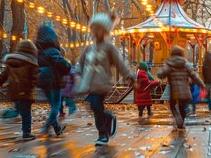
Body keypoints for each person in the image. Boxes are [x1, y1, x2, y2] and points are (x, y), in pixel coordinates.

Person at [76, 12, 136, 146]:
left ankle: (102, 134)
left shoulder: (109, 47)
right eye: (94, 29)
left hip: (102, 84)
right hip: (89, 84)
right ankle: (108, 117)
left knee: (96, 107)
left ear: (104, 31)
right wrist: (77, 75)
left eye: (99, 29)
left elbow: (120, 64)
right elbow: (80, 63)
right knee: (95, 108)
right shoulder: (89, 48)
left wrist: (129, 77)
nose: (96, 32)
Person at [0, 40, 39, 141]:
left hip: (14, 90)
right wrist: (31, 86)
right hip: (26, 91)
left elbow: (4, 74)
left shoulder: (10, 62)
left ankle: (7, 114)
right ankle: (26, 132)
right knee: (26, 113)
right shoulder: (32, 63)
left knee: (20, 109)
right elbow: (34, 78)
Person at [158, 46, 206, 130]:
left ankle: (178, 119)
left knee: (172, 106)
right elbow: (194, 75)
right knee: (182, 107)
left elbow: (162, 74)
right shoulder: (186, 64)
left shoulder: (169, 64)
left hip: (174, 90)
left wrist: (159, 72)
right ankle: (181, 122)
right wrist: (202, 85)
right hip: (185, 90)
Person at [35, 24, 71, 136]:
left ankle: (57, 128)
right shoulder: (53, 50)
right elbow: (61, 64)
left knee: (53, 106)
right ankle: (46, 126)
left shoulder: (39, 52)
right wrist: (67, 65)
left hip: (43, 81)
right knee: (56, 105)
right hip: (54, 81)